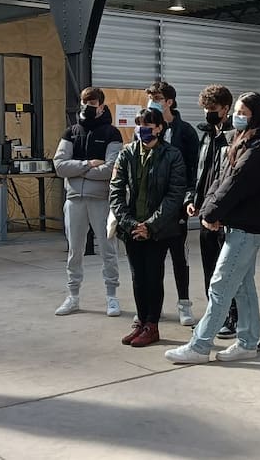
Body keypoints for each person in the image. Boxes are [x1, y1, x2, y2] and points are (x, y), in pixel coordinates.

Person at [165, 92, 260, 364]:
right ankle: (247, 341)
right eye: (237, 111)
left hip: (246, 227)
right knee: (242, 284)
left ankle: (201, 345)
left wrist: (212, 212)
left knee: (220, 284)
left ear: (256, 114)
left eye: (243, 111)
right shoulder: (243, 142)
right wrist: (208, 211)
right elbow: (221, 178)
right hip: (239, 224)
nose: (237, 116)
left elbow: (235, 184)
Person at [109, 109, 188, 348]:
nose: (143, 129)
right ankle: (141, 321)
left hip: (158, 230)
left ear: (160, 128)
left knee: (154, 276)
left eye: (149, 125)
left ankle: (152, 325)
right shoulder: (127, 153)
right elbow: (116, 191)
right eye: (140, 124)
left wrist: (150, 225)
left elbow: (174, 196)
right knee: (137, 277)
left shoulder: (172, 155)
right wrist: (130, 223)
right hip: (131, 228)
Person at [53, 87, 124, 318]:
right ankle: (72, 296)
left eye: (92, 103)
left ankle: (112, 296)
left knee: (108, 249)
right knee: (75, 250)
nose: (87, 106)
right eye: (85, 102)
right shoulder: (71, 132)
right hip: (74, 200)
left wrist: (78, 170)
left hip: (101, 200)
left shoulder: (112, 133)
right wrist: (86, 165)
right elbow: (59, 166)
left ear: (101, 106)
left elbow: (111, 169)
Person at [187, 84, 240, 339]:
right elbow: (201, 171)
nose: (208, 112)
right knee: (210, 268)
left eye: (213, 108)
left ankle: (232, 317)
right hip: (205, 210)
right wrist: (193, 199)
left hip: (223, 214)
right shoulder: (207, 135)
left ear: (226, 108)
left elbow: (230, 178)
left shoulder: (234, 135)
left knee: (226, 270)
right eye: (206, 108)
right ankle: (214, 314)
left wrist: (221, 212)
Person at [146, 81, 200, 326]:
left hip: (177, 205)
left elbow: (193, 169)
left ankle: (184, 303)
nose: (152, 101)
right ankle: (148, 307)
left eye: (157, 98)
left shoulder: (185, 131)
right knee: (150, 260)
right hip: (150, 206)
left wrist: (189, 198)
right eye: (150, 97)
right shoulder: (146, 126)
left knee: (180, 256)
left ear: (169, 101)